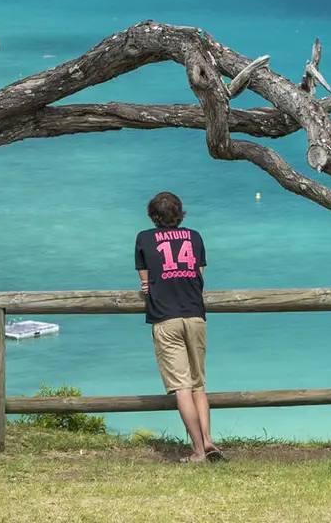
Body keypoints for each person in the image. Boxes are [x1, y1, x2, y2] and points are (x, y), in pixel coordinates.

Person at [135, 191, 222, 463]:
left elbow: (145, 282)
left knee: (181, 387)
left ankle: (197, 451)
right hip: (195, 315)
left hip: (165, 317)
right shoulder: (194, 237)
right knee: (198, 384)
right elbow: (199, 275)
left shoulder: (144, 238)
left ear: (153, 216)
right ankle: (208, 440)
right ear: (180, 214)